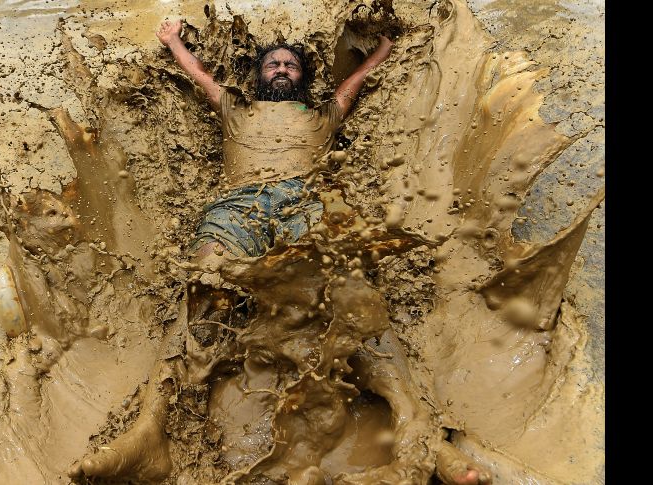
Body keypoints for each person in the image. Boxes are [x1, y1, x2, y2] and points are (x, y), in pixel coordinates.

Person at [69, 19, 488, 485]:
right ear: (259, 76)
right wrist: (171, 42)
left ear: (303, 76)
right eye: (273, 64)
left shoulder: (324, 115)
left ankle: (415, 425)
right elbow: (200, 75)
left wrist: (383, 50)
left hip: (306, 203)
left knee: (351, 288)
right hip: (237, 207)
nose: (283, 68)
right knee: (201, 282)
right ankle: (151, 425)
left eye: (291, 64)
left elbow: (353, 84)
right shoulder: (234, 108)